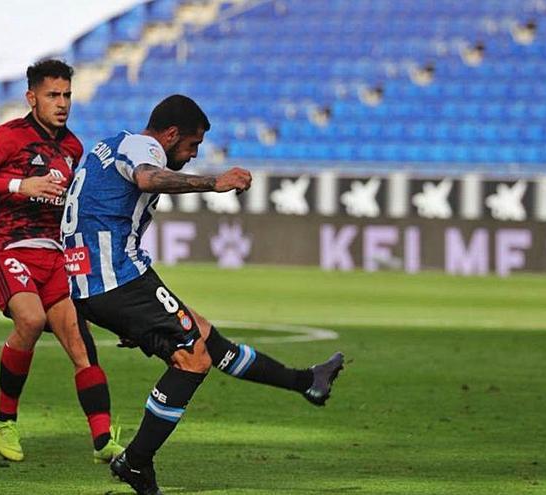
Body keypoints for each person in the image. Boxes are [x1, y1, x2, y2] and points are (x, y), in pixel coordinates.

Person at [62, 94, 344, 495]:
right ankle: (136, 462)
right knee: (193, 359)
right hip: (116, 279)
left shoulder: (109, 144)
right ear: (171, 134)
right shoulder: (143, 148)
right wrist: (215, 182)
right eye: (192, 146)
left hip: (98, 280)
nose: (193, 155)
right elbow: (146, 177)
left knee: (205, 336)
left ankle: (307, 382)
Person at [0, 59, 123, 463]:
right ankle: (4, 419)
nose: (62, 103)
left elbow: (65, 209)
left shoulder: (74, 148)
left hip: (53, 254)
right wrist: (18, 185)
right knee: (30, 319)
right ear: (32, 98)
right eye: (52, 95)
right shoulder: (9, 137)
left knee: (81, 343)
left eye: (67, 95)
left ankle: (102, 441)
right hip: (7, 248)